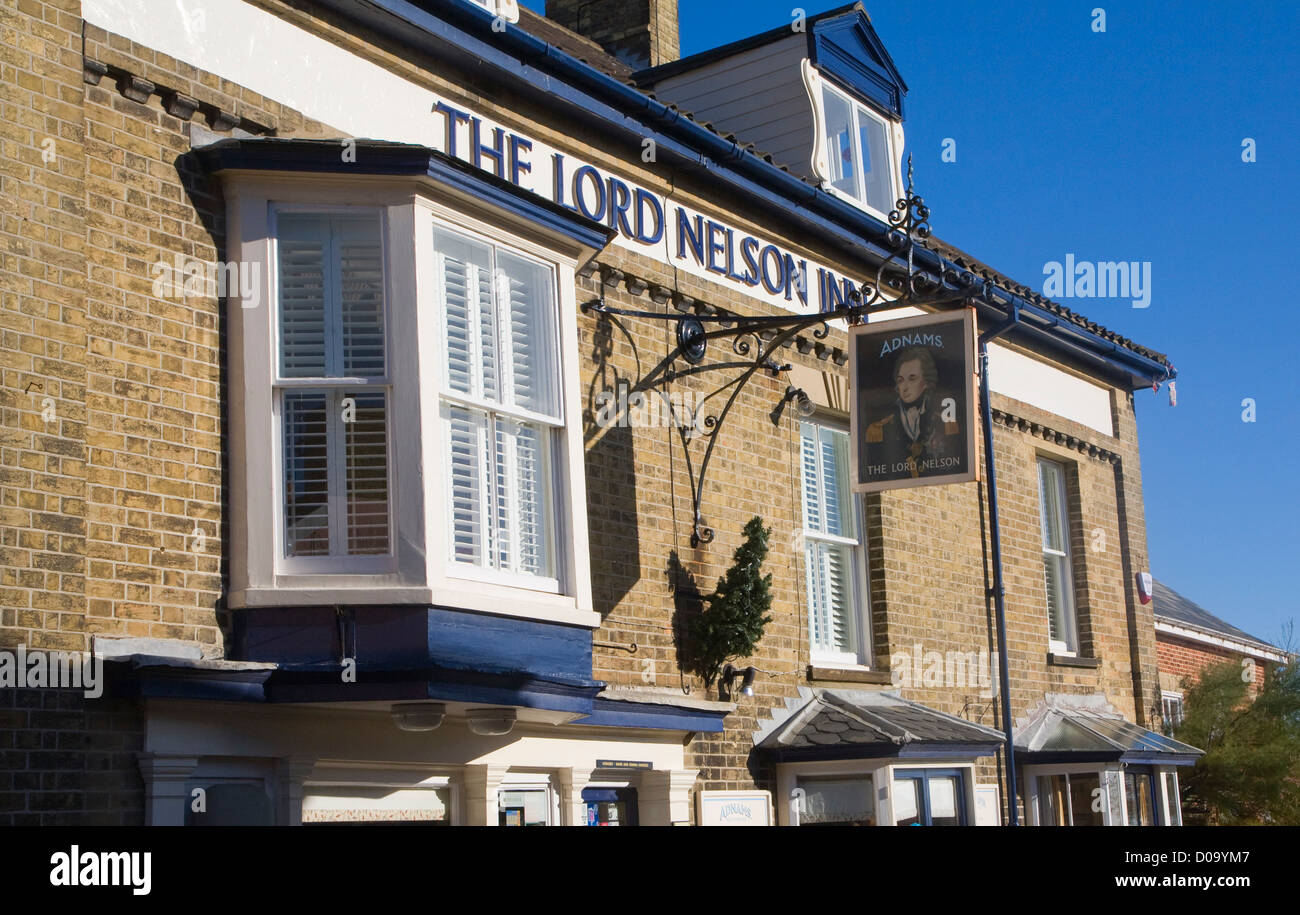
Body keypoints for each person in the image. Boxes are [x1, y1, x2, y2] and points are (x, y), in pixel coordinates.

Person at [864, 346, 961, 478]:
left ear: (926, 381)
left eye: (912, 378)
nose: (905, 387)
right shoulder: (877, 431)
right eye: (900, 380)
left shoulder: (945, 425)